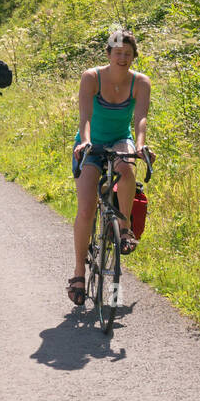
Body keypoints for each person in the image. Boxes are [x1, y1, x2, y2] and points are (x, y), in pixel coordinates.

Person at [68, 29, 151, 307]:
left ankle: (124, 227)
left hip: (120, 140)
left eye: (128, 54)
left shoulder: (140, 82)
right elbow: (85, 117)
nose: (123, 58)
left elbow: (140, 119)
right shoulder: (92, 77)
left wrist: (140, 145)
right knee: (86, 207)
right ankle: (79, 272)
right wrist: (87, 142)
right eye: (118, 53)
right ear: (108, 54)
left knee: (127, 169)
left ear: (134, 56)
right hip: (91, 144)